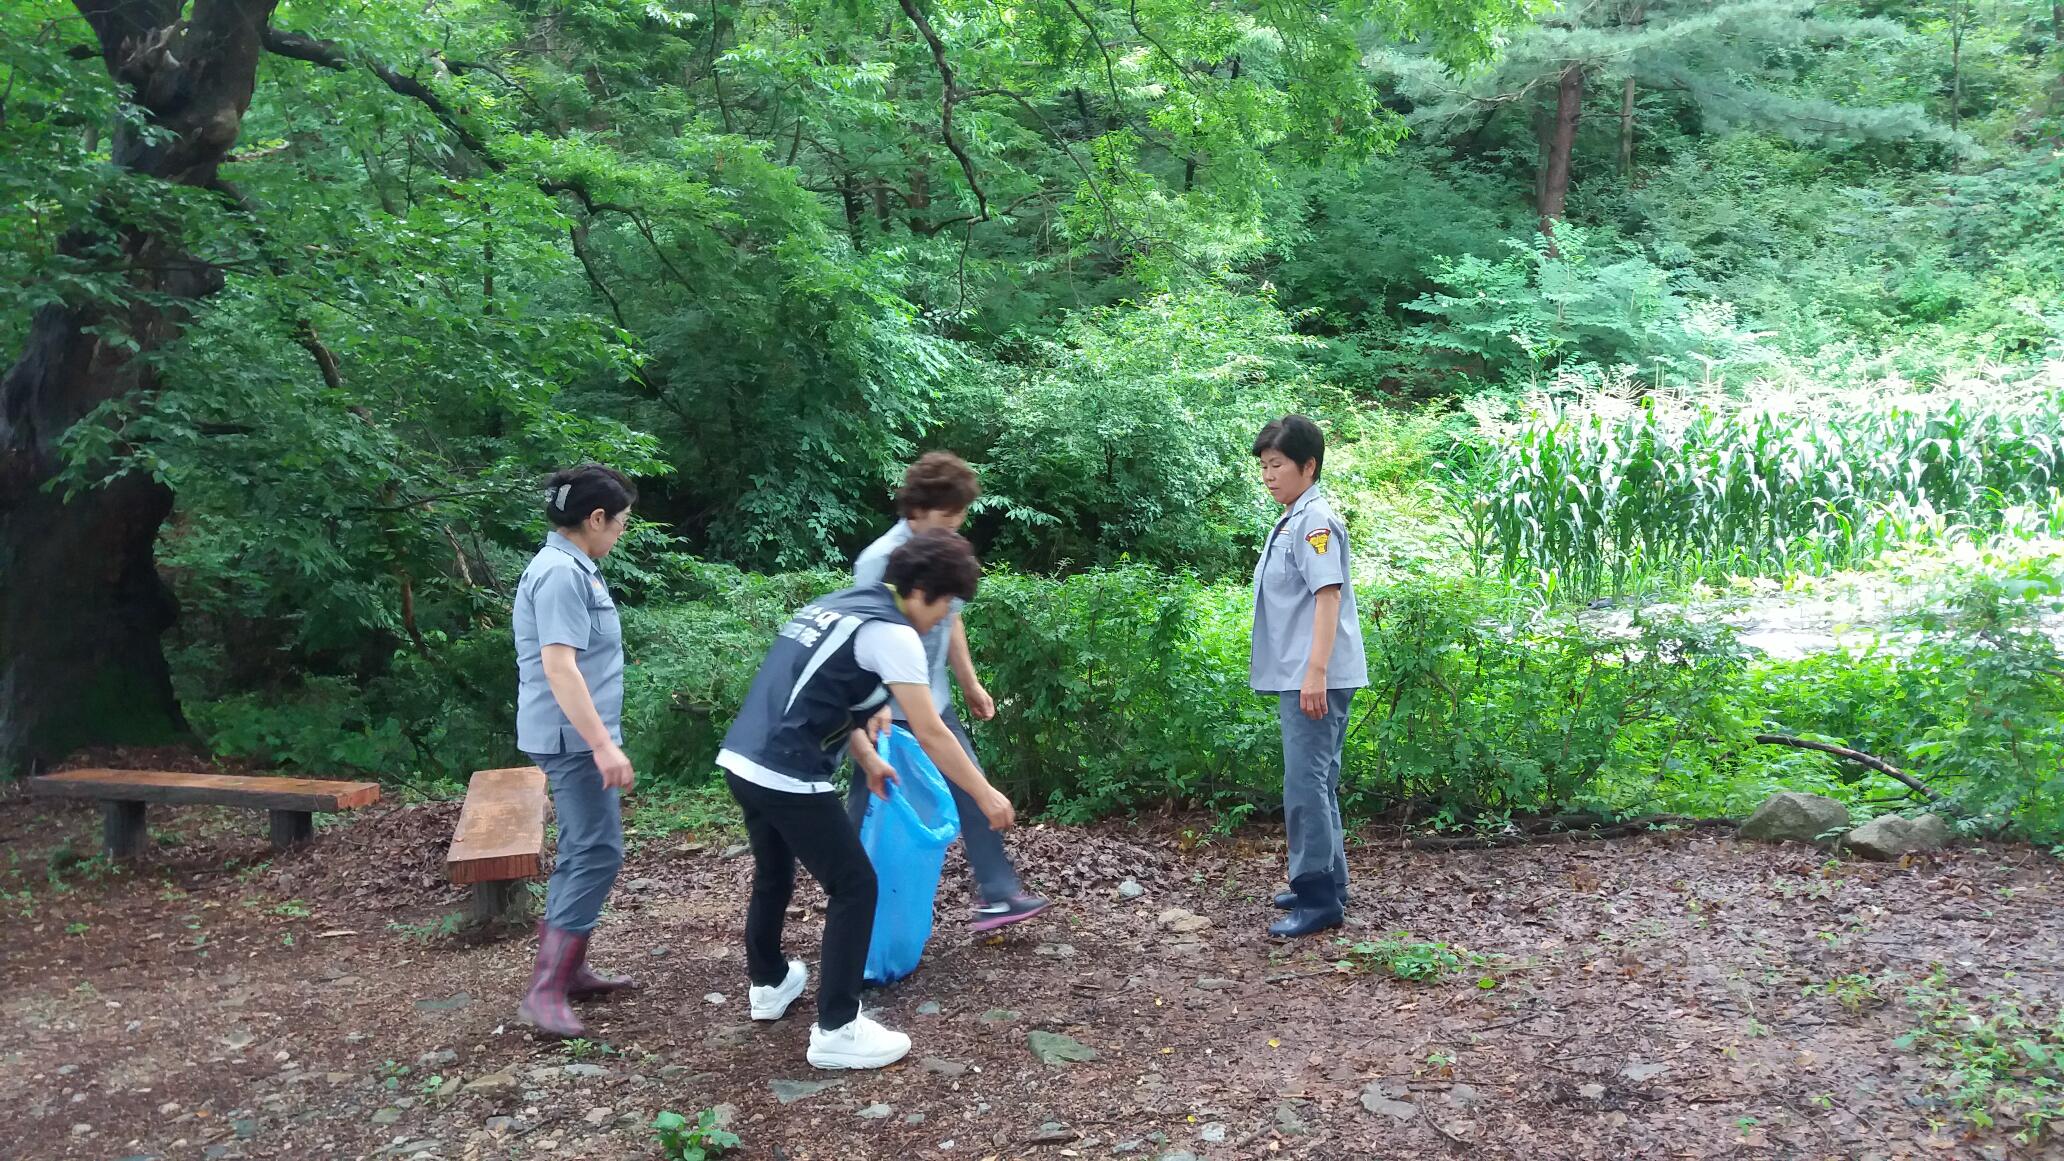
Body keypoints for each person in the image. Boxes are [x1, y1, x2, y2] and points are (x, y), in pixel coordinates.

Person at [718, 529, 1017, 1070]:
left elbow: (829, 696)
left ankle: (769, 983)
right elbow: (932, 732)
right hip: (789, 771)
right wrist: (984, 792)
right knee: (855, 885)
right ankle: (838, 1027)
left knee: (774, 872)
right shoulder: (894, 634)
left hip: (744, 759)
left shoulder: (839, 605)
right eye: (945, 605)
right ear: (922, 591)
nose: (943, 620)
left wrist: (870, 761)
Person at [847, 452, 1047, 931]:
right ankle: (850, 897)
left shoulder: (945, 550)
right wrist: (870, 707)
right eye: (948, 515)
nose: (956, 525)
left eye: (961, 516)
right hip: (884, 709)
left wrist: (969, 682)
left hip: (932, 699)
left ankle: (999, 893)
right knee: (872, 804)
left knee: (971, 787)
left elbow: (949, 617)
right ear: (917, 510)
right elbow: (860, 637)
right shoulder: (879, 560)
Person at [511, 464, 642, 1038]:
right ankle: (545, 991)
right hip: (572, 740)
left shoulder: (568, 568)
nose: (622, 532)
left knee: (584, 850)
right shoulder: (562, 575)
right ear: (596, 518)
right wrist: (602, 746)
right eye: (621, 522)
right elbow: (560, 667)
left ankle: (570, 970)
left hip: (572, 736)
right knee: (596, 852)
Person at [1249, 417, 1368, 938]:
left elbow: (1328, 596)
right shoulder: (1293, 519)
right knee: (1318, 780)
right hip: (1305, 672)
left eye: (1277, 465)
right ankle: (1328, 882)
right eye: (1264, 466)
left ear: (1309, 465)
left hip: (1312, 675)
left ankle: (1318, 898)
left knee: (1304, 784)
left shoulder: (1314, 522)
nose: (1268, 475)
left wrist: (1314, 673)